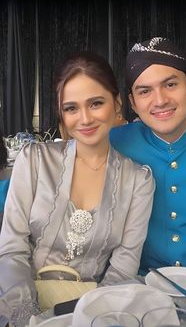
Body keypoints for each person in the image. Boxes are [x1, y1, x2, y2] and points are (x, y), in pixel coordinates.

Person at [0, 52, 155, 327]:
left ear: (117, 103)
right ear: (61, 112)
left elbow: (123, 268)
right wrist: (28, 317)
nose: (84, 119)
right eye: (71, 108)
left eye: (96, 103)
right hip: (17, 304)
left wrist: (86, 317)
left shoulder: (138, 182)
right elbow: (11, 249)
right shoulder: (34, 160)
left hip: (92, 309)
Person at [110, 36, 186, 274]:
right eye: (145, 91)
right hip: (138, 289)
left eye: (170, 85)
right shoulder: (114, 145)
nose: (160, 100)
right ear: (133, 103)